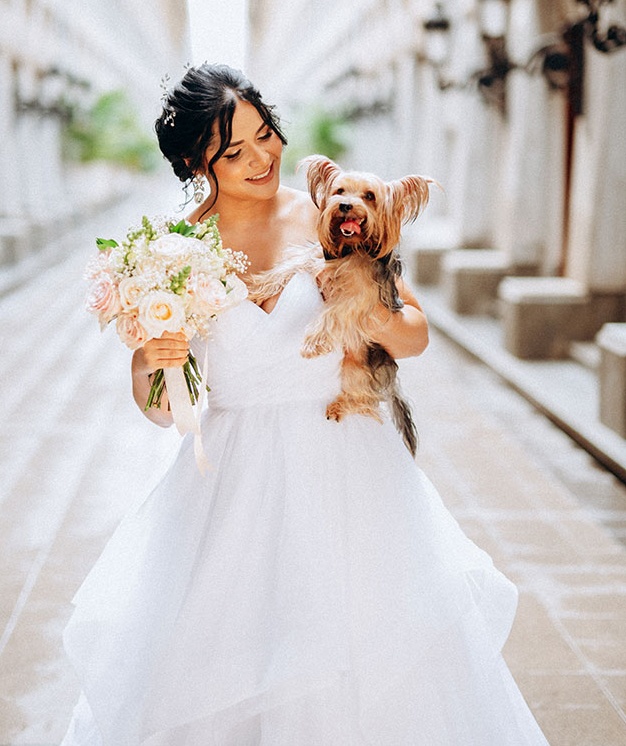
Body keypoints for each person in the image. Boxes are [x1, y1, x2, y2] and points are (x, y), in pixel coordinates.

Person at [60, 63, 550, 746]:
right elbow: (163, 410)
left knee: (361, 661)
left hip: (346, 467)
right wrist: (151, 356)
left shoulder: (326, 218)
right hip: (224, 482)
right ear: (194, 162)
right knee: (214, 663)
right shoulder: (177, 249)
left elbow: (412, 337)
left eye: (266, 134)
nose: (260, 157)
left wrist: (358, 305)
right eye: (234, 151)